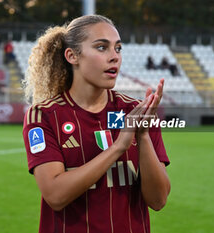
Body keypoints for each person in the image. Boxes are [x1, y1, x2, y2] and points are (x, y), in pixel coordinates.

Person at [22, 15, 170, 233]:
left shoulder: (137, 112)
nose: (114, 57)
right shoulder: (43, 116)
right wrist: (119, 146)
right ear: (72, 56)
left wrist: (143, 136)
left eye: (118, 49)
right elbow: (55, 195)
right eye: (102, 47)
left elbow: (158, 201)